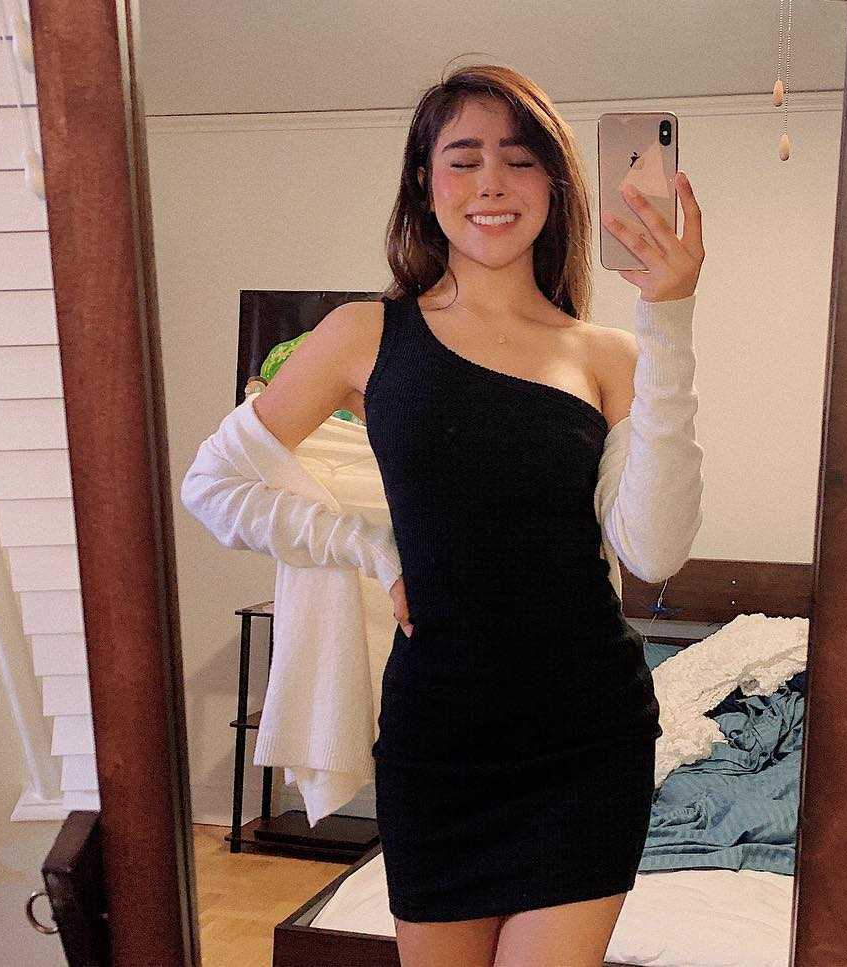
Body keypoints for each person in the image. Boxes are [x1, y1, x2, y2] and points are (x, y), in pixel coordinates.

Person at [246, 64, 705, 967]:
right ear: (427, 181)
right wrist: (372, 546)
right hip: (438, 740)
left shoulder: (610, 353)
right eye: (464, 158)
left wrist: (670, 317)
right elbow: (219, 482)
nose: (492, 182)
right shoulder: (363, 336)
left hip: (585, 738)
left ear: (555, 184)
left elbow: (654, 548)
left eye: (520, 158)